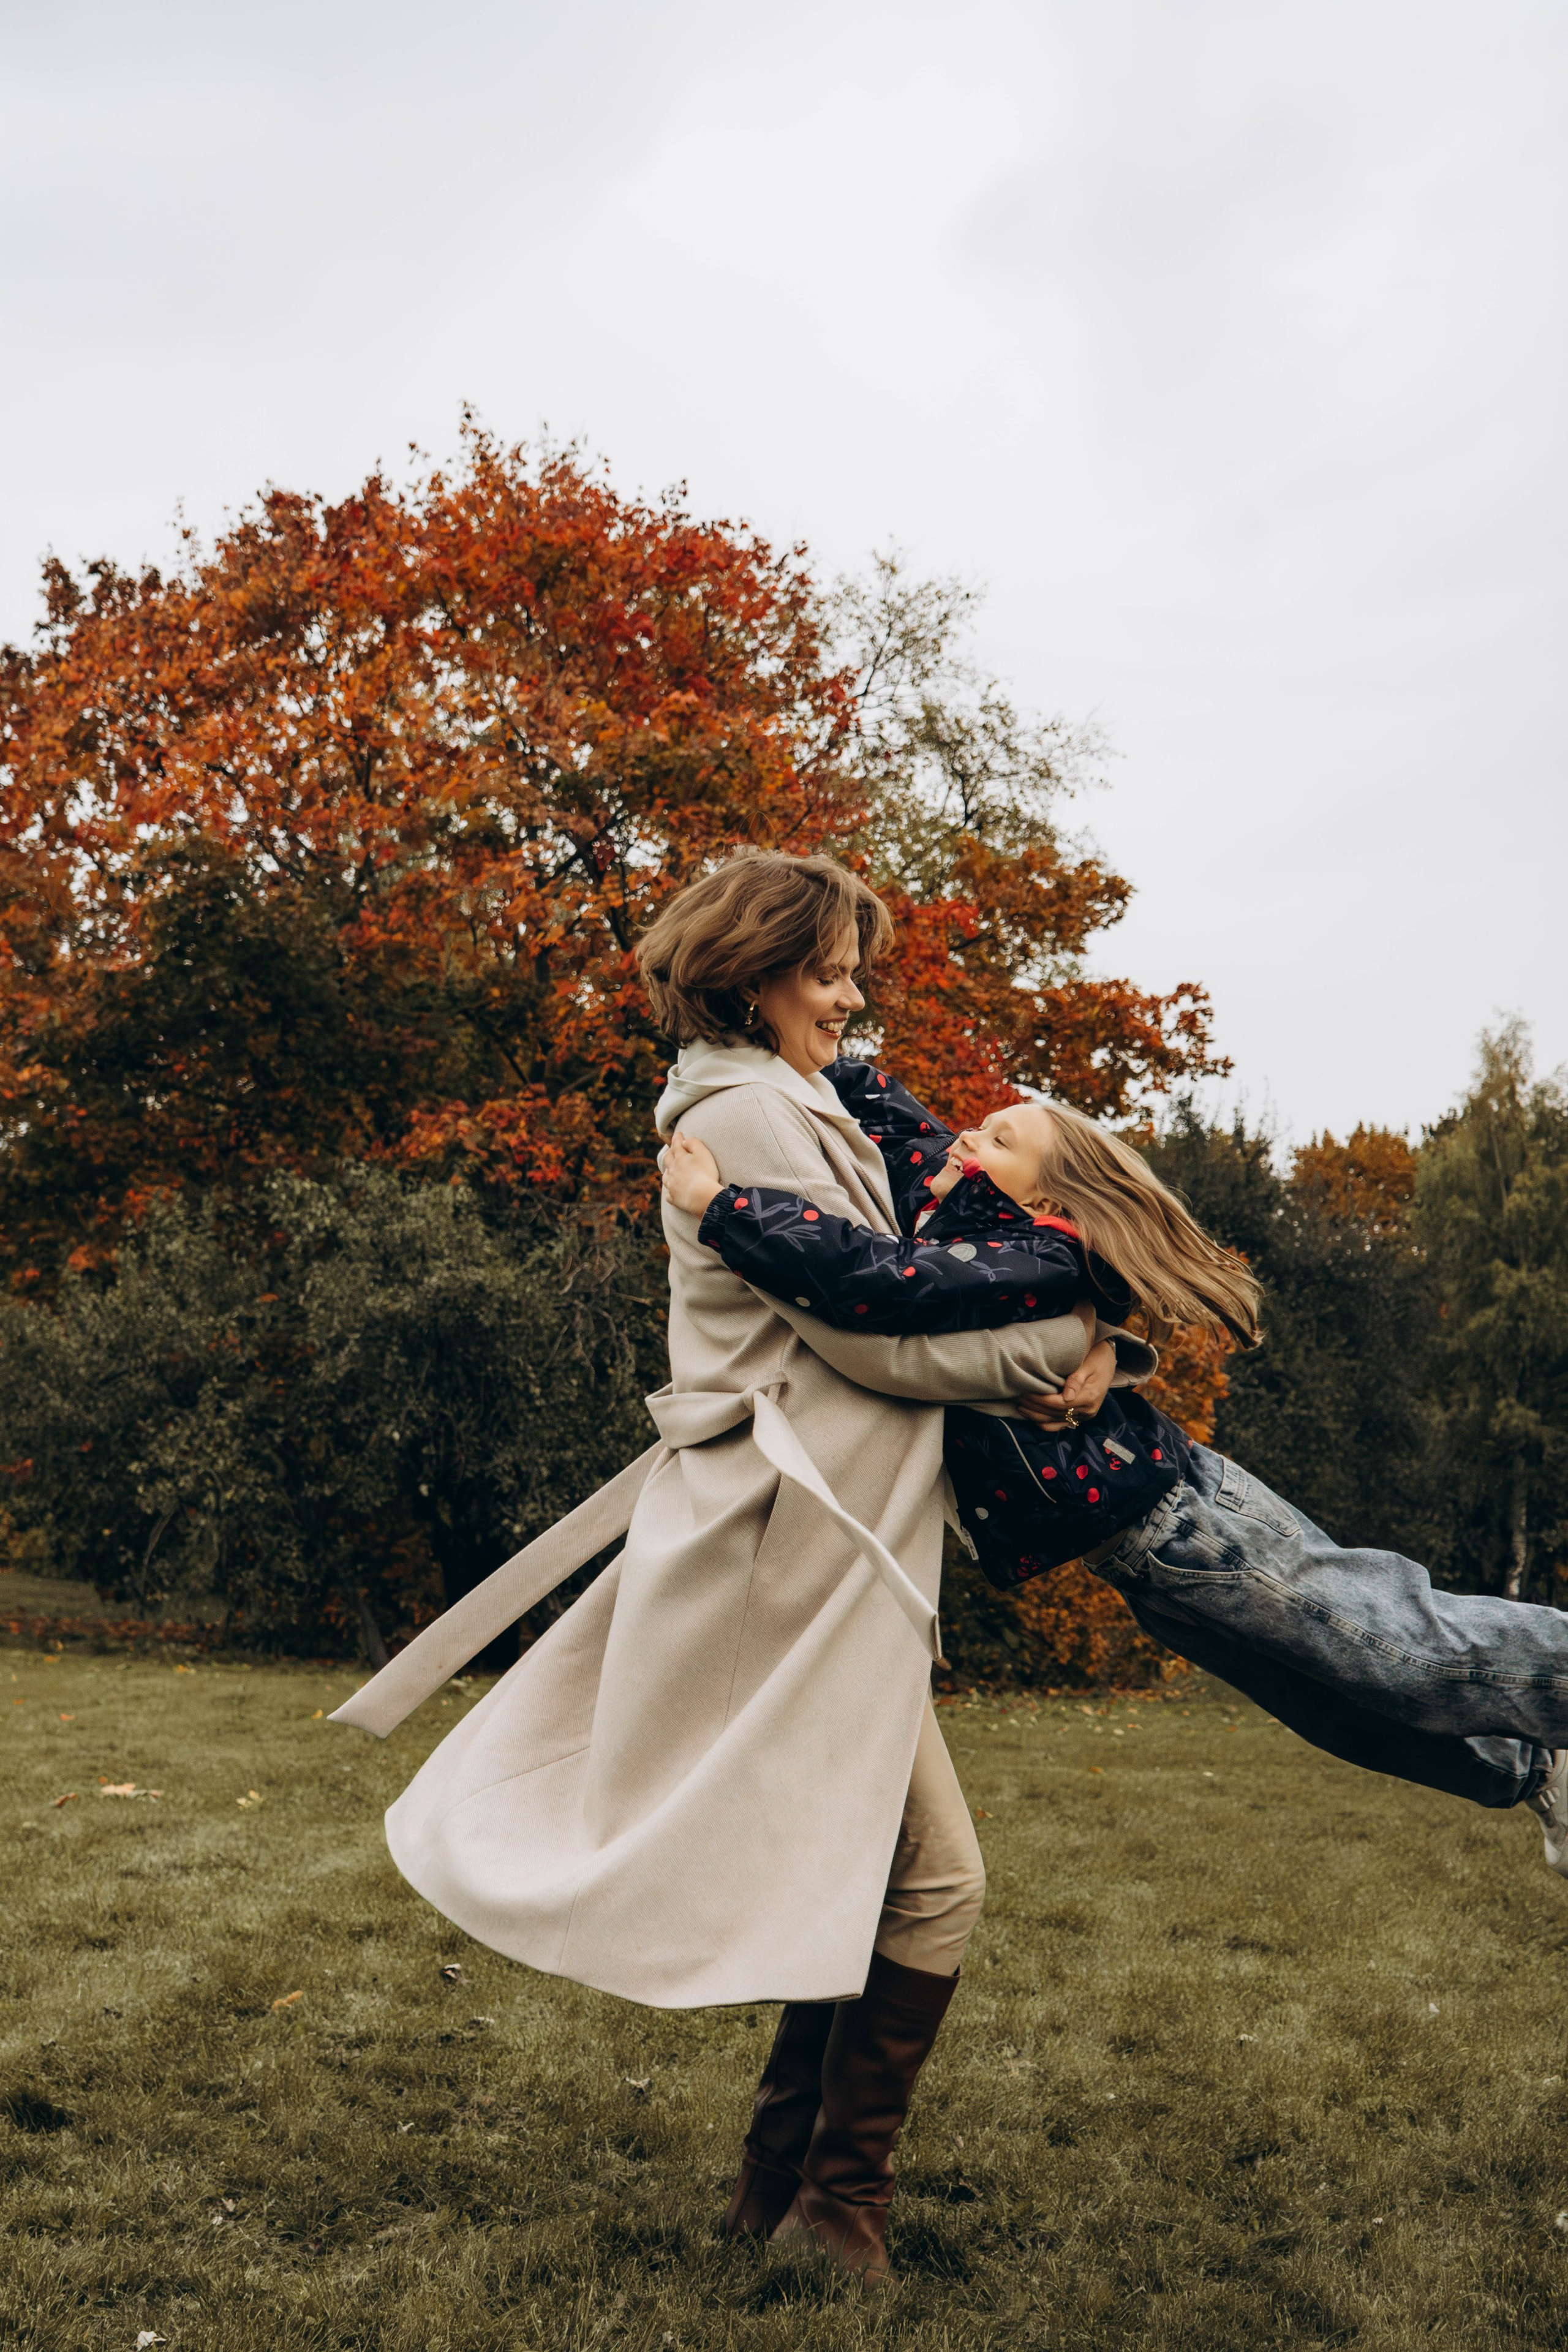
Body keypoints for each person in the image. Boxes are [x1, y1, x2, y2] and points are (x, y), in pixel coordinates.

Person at [331, 850, 1131, 2286]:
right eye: (827, 972)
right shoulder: (749, 1112)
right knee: (932, 1879)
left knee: (881, 1869)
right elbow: (870, 1338)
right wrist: (1057, 1349)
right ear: (753, 977)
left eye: (850, 973)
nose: (850, 997)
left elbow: (935, 1255)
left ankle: (788, 2196)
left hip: (826, 1538)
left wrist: (1092, 1340)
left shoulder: (793, 1096)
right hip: (791, 1543)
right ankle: (831, 2205)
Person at [662, 1066, 1568, 1871]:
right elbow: (884, 1106)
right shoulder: (965, 1210)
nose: (966, 1136)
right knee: (1336, 1707)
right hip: (1142, 1555)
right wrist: (799, 1049)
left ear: (1048, 1196)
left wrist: (721, 1209)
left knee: (1399, 1650)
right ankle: (1538, 1768)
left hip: (1187, 1527)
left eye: (998, 1139)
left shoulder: (1037, 1252)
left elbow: (880, 1282)